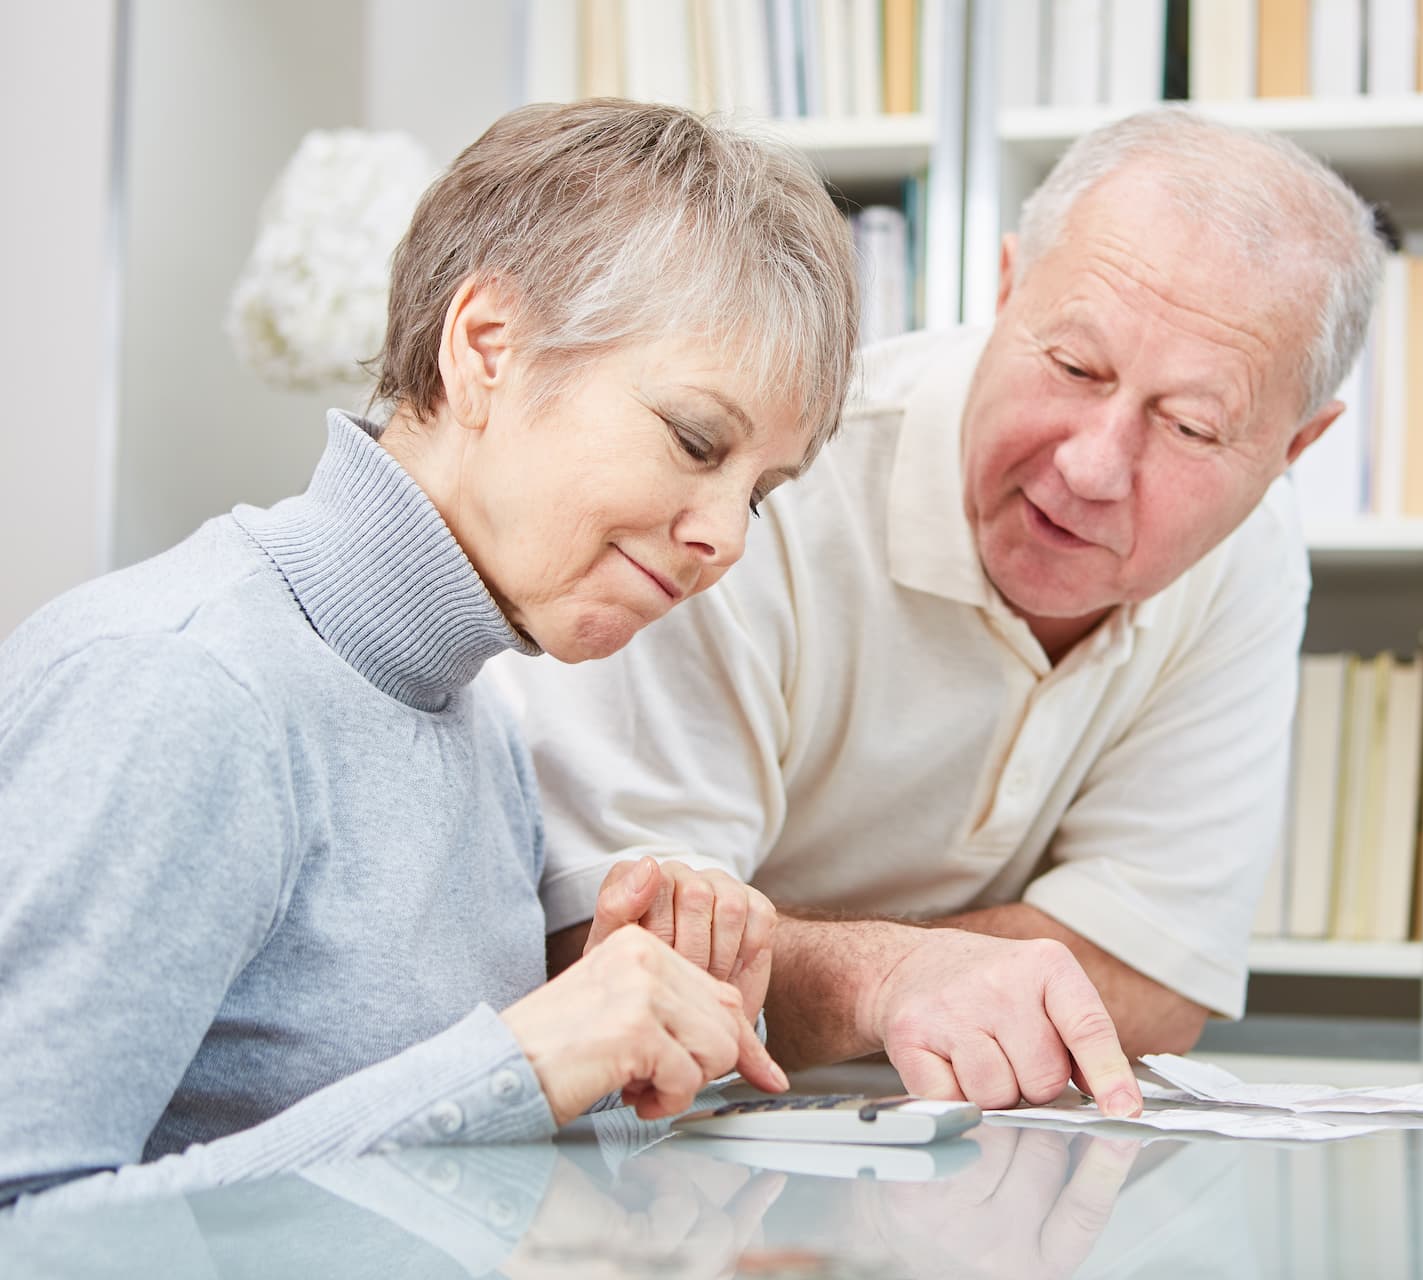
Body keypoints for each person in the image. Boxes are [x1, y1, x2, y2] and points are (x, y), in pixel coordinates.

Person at [0, 100, 859, 1208]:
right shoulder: (185, 688)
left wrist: (633, 1049)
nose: (728, 537)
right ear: (485, 347)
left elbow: (428, 1183)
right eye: (695, 440)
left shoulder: (474, 710)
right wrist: (517, 1063)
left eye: (760, 491)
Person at [493, 108, 1384, 1115]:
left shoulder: (1251, 551)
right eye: (1074, 367)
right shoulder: (755, 489)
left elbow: (1155, 983)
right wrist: (887, 977)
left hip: (948, 1154)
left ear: (1293, 451)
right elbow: (624, 962)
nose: (1092, 466)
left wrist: (832, 962)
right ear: (1005, 291)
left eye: (1189, 425)